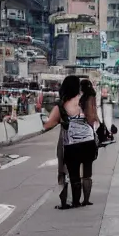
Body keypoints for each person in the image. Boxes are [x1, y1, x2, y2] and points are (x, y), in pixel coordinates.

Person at [44, 75, 98, 208]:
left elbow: (48, 124)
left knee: (73, 174)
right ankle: (86, 200)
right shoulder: (86, 101)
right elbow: (94, 120)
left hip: (72, 144)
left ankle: (75, 202)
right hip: (88, 142)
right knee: (87, 173)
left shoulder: (61, 104)